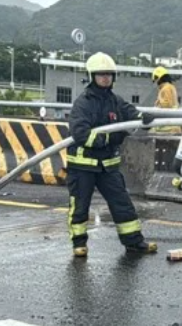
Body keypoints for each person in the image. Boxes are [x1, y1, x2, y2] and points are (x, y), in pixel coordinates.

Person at [65, 52, 157, 257]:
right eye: (101, 74)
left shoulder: (115, 101)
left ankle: (134, 242)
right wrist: (109, 138)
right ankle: (78, 244)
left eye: (109, 74)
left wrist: (143, 117)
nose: (105, 78)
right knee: (80, 206)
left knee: (122, 203)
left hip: (107, 166)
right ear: (92, 76)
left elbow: (129, 112)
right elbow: (80, 134)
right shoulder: (83, 103)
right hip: (83, 166)